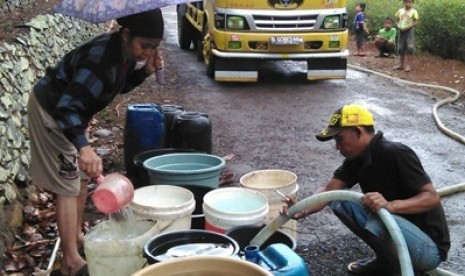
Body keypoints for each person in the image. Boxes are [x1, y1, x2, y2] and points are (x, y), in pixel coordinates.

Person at [27, 9, 165, 276]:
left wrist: (144, 72)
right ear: (126, 34)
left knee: (80, 178)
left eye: (154, 48)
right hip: (51, 110)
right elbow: (66, 109)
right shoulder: (101, 58)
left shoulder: (123, 54)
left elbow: (116, 85)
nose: (147, 52)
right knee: (68, 182)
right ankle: (70, 262)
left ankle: (77, 237)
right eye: (144, 46)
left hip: (72, 115)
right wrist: (84, 147)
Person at [283, 104, 450, 275]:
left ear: (358, 131)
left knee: (372, 213)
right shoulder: (356, 160)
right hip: (402, 237)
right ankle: (388, 262)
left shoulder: (395, 153)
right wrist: (300, 208)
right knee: (341, 200)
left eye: (339, 139)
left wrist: (390, 206)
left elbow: (431, 198)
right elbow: (329, 191)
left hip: (429, 249)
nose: (337, 147)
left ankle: (400, 269)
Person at [393, 0, 419, 72]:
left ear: (412, 3)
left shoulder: (414, 11)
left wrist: (408, 27)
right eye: (406, 2)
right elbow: (397, 20)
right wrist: (398, 26)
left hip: (409, 31)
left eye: (409, 2)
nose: (407, 3)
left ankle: (409, 65)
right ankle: (401, 65)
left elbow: (416, 21)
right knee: (401, 48)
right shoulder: (400, 11)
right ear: (403, 2)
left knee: (410, 47)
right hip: (401, 31)